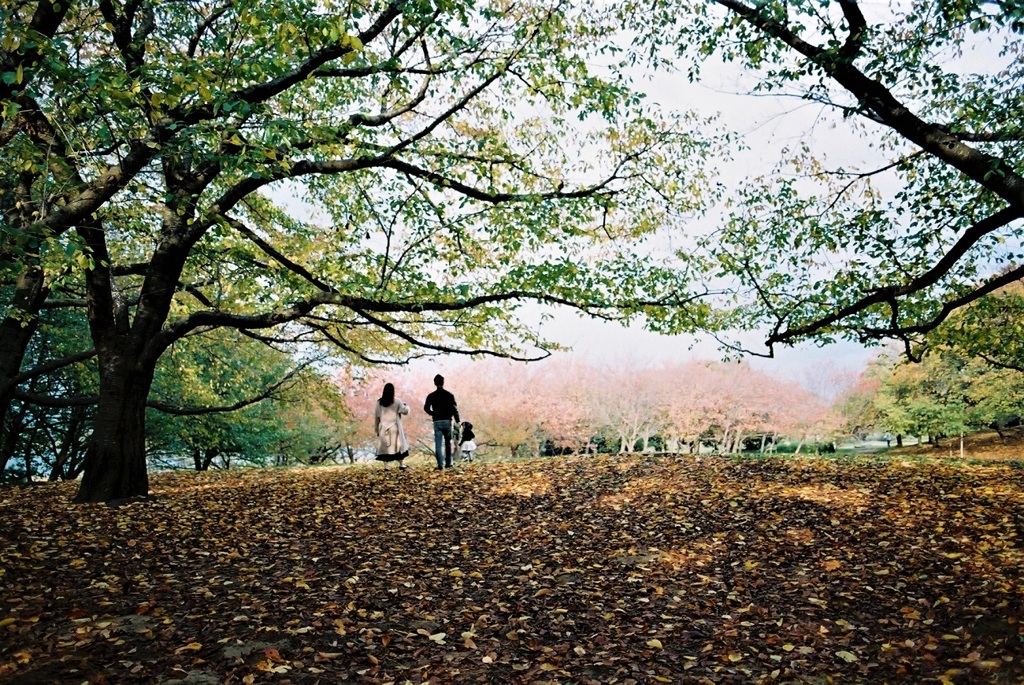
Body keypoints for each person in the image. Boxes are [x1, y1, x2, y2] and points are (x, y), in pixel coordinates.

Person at [423, 374, 459, 469]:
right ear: (443, 382)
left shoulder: (431, 396)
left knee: (438, 444)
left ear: (434, 383)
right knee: (448, 443)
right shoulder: (449, 395)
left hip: (437, 421)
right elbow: (454, 409)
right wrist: (457, 420)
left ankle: (440, 465)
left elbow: (426, 408)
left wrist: (432, 413)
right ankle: (449, 463)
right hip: (447, 421)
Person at [375, 382, 410, 470]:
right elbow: (405, 411)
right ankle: (401, 464)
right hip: (395, 427)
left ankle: (386, 466)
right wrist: (407, 406)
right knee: (398, 446)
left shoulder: (379, 402)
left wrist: (376, 429)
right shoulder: (397, 401)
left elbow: (377, 416)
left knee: (385, 448)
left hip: (383, 428)